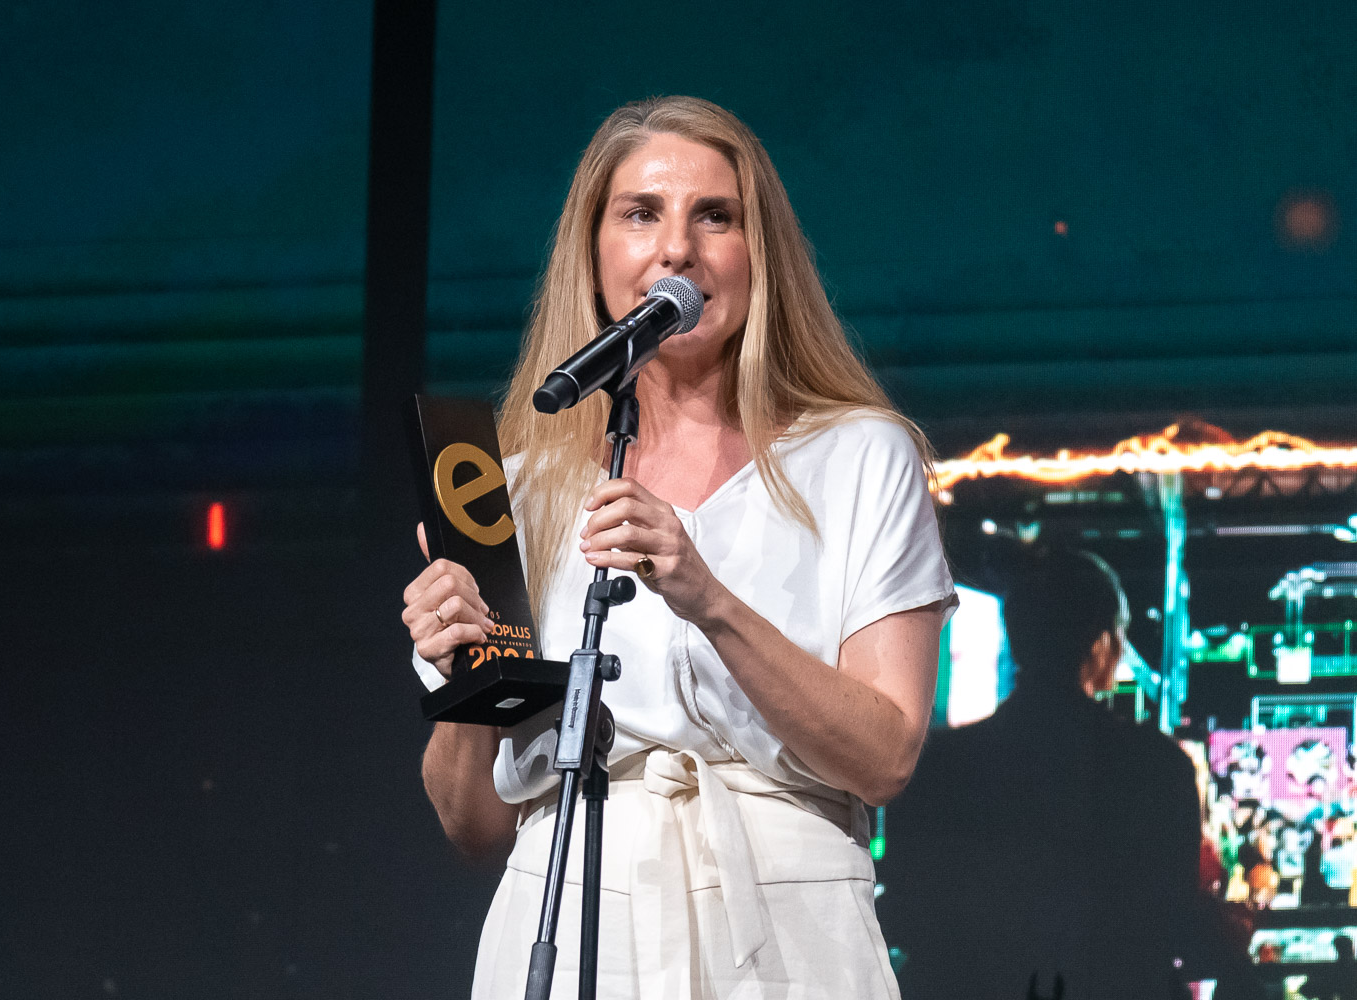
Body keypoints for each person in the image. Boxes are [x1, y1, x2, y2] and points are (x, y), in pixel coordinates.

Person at [400, 96, 956, 999]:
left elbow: (884, 756)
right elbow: (474, 827)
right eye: (640, 214)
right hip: (569, 915)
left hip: (786, 929)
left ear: (759, 253)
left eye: (715, 217)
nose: (676, 250)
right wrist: (467, 669)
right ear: (593, 252)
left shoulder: (860, 456)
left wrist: (711, 600)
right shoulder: (513, 489)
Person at [880, 548, 1241, 1000]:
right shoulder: (1156, 766)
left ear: (1018, 636)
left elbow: (906, 914)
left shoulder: (939, 765)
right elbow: (1173, 923)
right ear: (1102, 644)